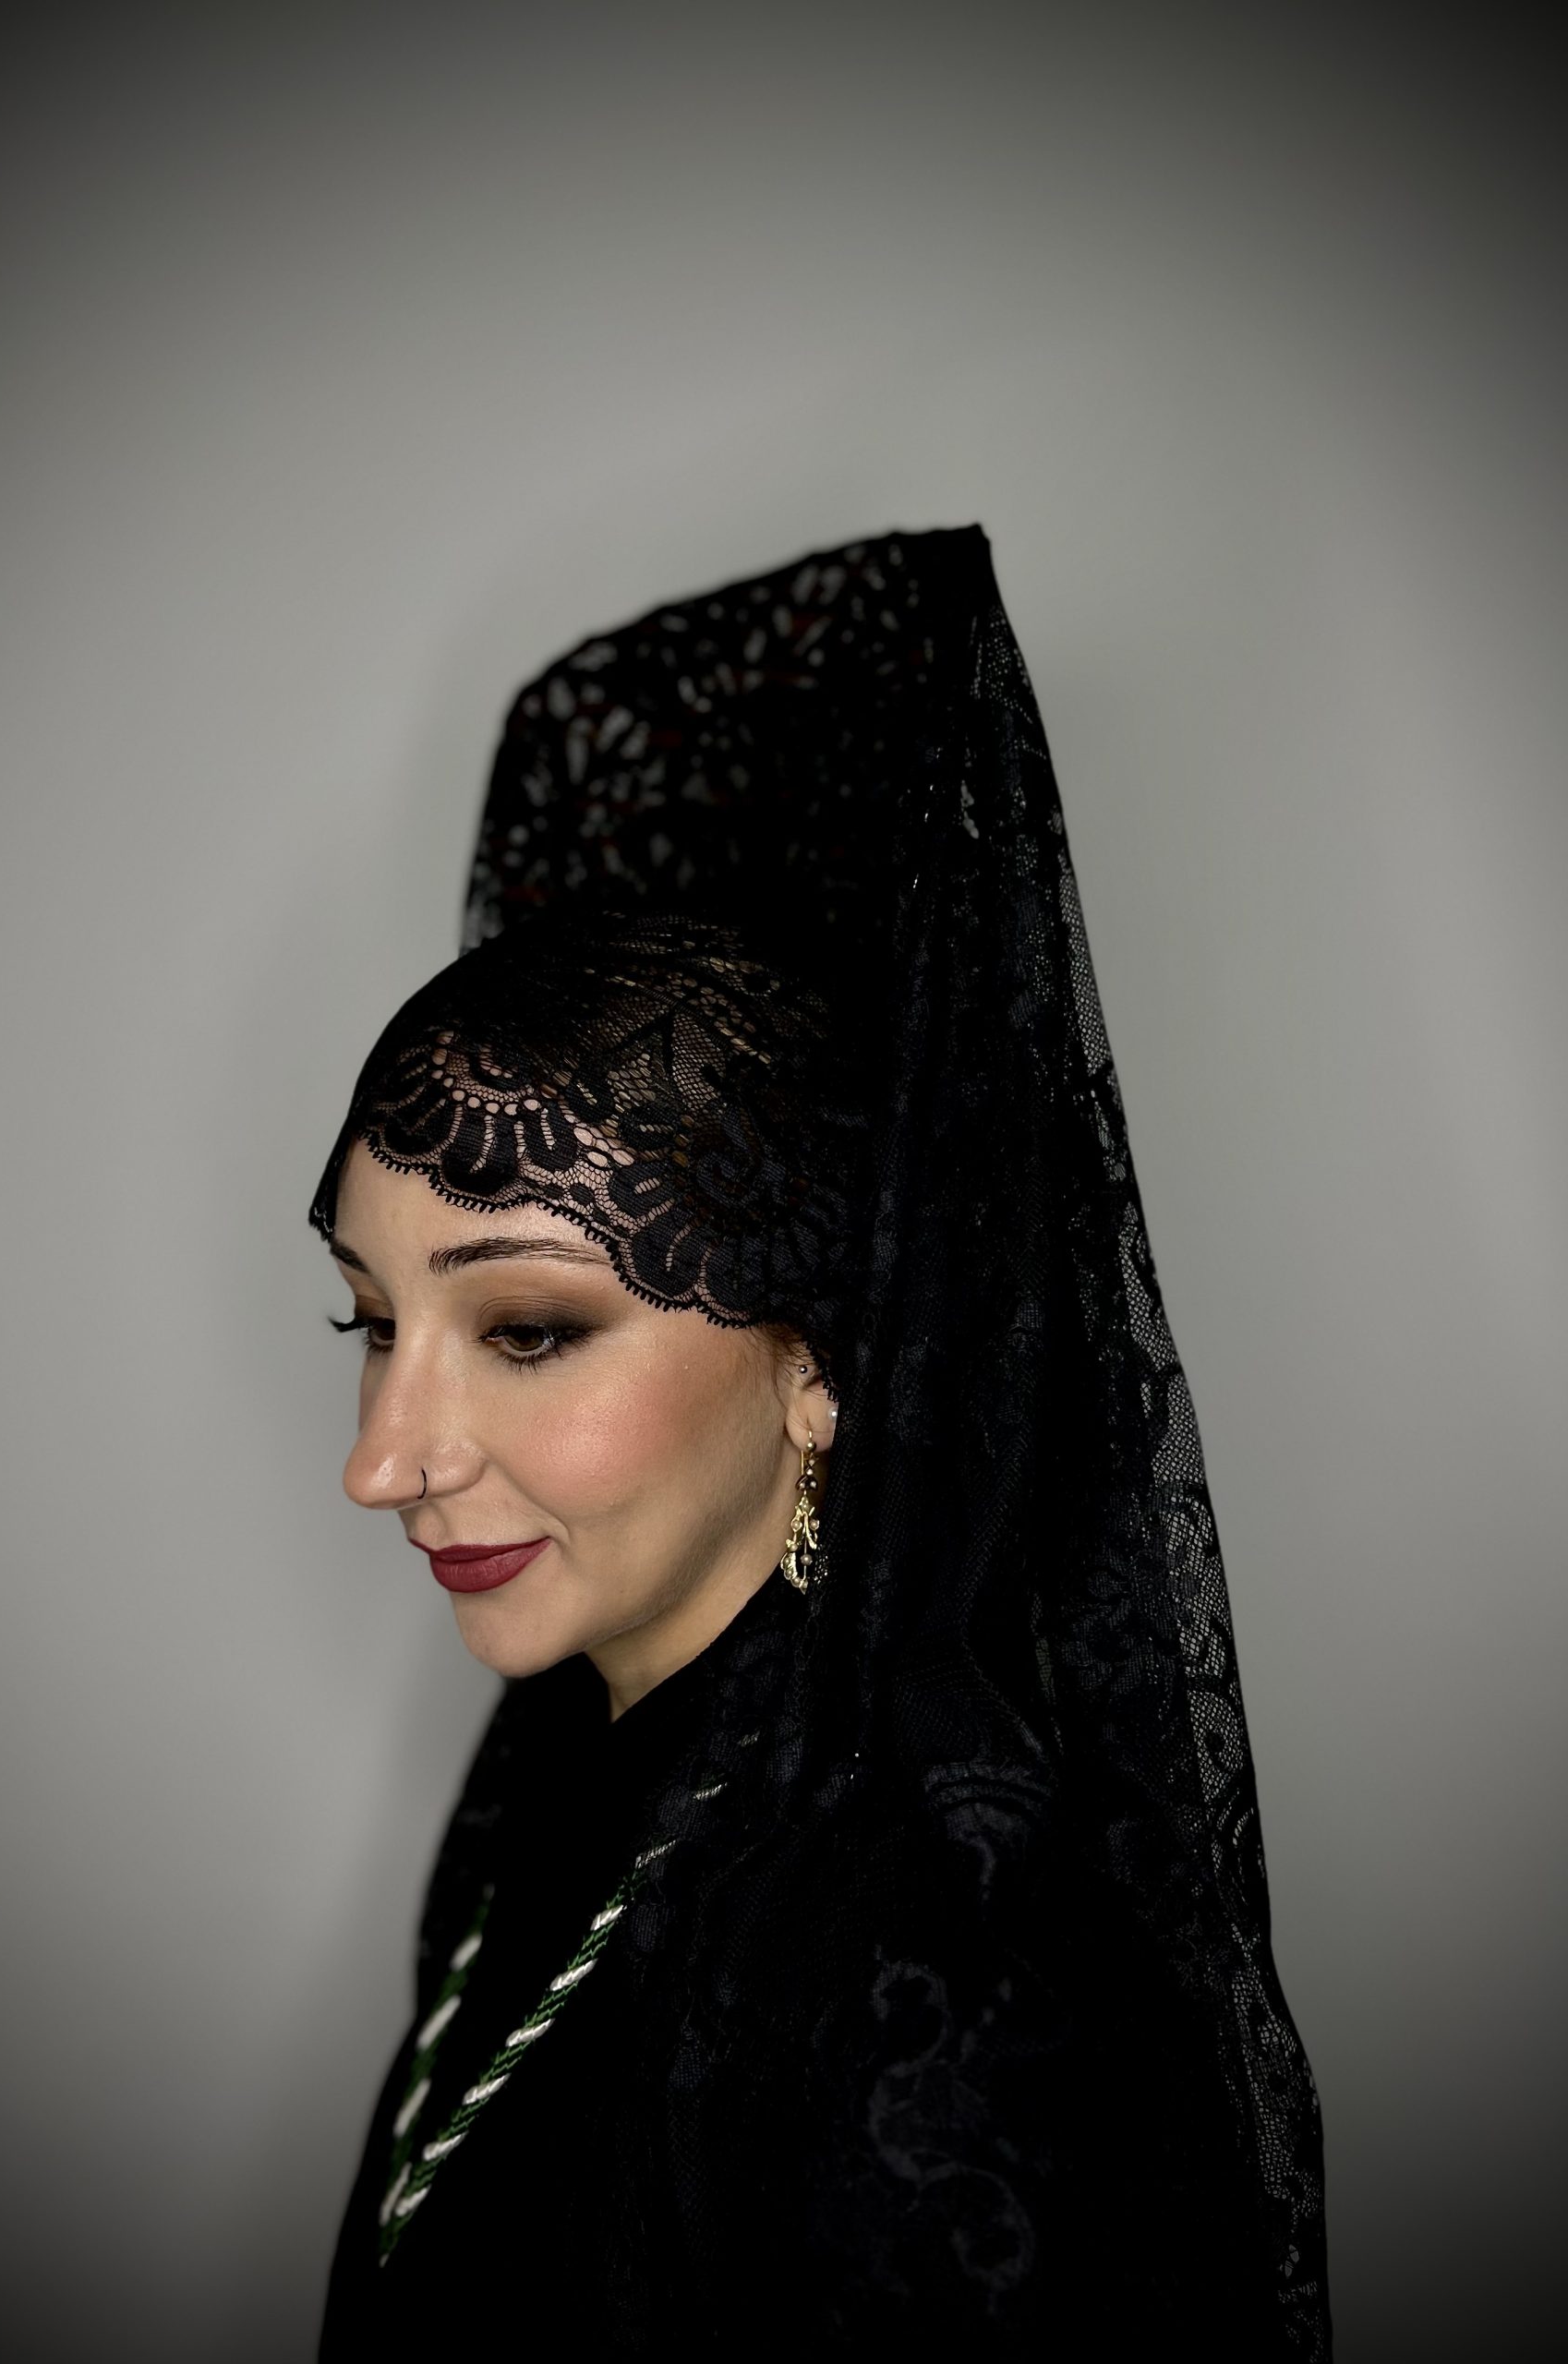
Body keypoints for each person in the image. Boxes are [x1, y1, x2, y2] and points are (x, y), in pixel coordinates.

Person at [310, 526, 1330, 2357]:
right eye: (372, 1323)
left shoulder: (937, 1986)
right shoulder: (578, 1783)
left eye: (528, 1330)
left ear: (825, 1362)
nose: (383, 1463)